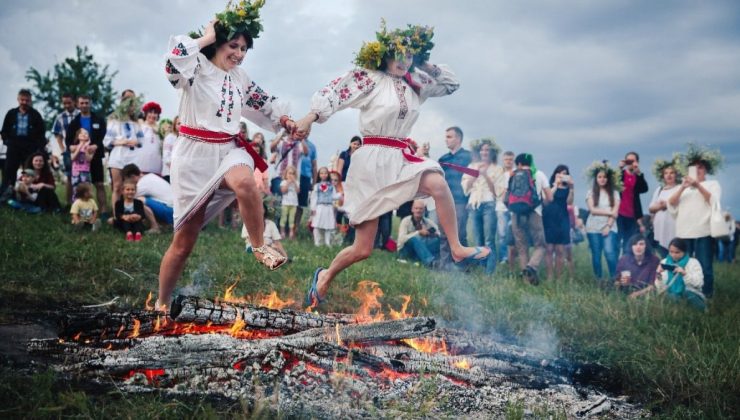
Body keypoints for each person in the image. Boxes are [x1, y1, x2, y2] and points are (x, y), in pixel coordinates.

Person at [295, 22, 490, 306]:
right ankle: (324, 276)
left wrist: (424, 63)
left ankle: (457, 249)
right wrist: (309, 118)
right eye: (399, 54)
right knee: (362, 249)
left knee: (437, 182)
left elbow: (452, 84)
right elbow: (335, 94)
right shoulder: (369, 78)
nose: (403, 61)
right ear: (384, 54)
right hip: (371, 161)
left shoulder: (415, 83)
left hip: (400, 156)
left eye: (409, 56)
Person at [157, 8, 299, 310]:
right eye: (233, 46)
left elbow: (265, 102)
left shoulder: (240, 79)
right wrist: (208, 35)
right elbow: (173, 59)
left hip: (228, 149)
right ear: (218, 43)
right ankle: (160, 303)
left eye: (244, 49)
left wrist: (285, 119)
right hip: (193, 157)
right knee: (184, 244)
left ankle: (259, 246)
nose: (239, 54)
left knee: (246, 184)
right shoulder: (194, 68)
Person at [667, 144, 722, 297]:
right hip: (684, 232)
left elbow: (713, 201)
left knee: (704, 267)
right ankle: (683, 293)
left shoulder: (712, 184)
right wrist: (683, 187)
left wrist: (697, 185)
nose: (697, 171)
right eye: (693, 168)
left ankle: (707, 296)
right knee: (681, 264)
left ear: (706, 170)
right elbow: (671, 204)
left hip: (703, 231)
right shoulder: (682, 188)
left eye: (700, 167)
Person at [507, 153, 552, 284]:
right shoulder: (539, 174)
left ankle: (527, 281)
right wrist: (540, 205)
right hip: (535, 213)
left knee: (522, 247)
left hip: (516, 215)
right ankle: (531, 266)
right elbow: (550, 197)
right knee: (541, 245)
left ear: (519, 164)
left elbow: (505, 197)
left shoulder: (512, 175)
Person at [461, 138, 504, 274]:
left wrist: (485, 175)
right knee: (478, 240)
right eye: (482, 150)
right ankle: (481, 268)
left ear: (492, 153)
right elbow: (465, 188)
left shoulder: (498, 169)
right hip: (473, 204)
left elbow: (496, 192)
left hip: (489, 204)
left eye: (487, 150)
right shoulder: (472, 166)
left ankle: (489, 272)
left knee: (489, 239)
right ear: (479, 152)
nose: (484, 152)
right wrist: (475, 175)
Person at [1, 89, 46, 201]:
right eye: (22, 100)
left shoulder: (35, 114)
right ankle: (5, 196)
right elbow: (4, 130)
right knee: (9, 171)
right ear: (18, 99)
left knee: (28, 172)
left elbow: (42, 133)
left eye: (27, 100)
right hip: (13, 146)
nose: (24, 102)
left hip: (29, 146)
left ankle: (28, 197)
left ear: (30, 101)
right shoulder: (11, 113)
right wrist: (8, 142)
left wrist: (37, 147)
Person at [66, 95, 108, 215]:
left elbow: (103, 135)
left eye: (86, 103)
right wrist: (72, 147)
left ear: (90, 103)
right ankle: (77, 210)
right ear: (78, 105)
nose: (84, 105)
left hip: (95, 155)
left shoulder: (98, 119)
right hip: (79, 158)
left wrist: (96, 146)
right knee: (79, 185)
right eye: (82, 103)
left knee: (99, 183)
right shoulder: (74, 122)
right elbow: (68, 140)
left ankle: (104, 210)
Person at [104, 91, 144, 214]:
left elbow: (141, 140)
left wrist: (135, 142)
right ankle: (117, 215)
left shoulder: (135, 123)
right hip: (118, 157)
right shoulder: (114, 121)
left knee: (132, 186)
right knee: (117, 187)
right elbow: (106, 141)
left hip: (132, 157)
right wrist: (120, 142)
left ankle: (133, 213)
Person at [438, 126, 472, 268]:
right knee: (444, 233)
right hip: (444, 202)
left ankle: (462, 266)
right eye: (446, 136)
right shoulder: (443, 159)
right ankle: (445, 265)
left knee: (459, 234)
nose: (446, 139)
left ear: (458, 139)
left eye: (449, 137)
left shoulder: (469, 157)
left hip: (460, 201)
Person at [585, 161, 621, 282]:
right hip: (593, 227)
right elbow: (592, 210)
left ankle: (615, 279)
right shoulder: (591, 192)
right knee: (596, 255)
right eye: (600, 177)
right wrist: (610, 211)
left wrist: (608, 225)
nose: (602, 179)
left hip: (609, 226)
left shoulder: (615, 193)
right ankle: (598, 279)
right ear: (596, 178)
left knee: (610, 252)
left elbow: (615, 213)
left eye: (605, 177)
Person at [654, 238, 706, 310]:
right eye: (671, 252)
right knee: (670, 297)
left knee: (688, 294)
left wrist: (684, 274)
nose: (673, 255)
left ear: (684, 252)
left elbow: (699, 283)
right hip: (671, 294)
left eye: (677, 252)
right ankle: (680, 309)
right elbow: (660, 289)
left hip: (690, 293)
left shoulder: (693, 262)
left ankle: (701, 310)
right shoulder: (664, 262)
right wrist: (659, 276)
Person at [543, 165, 575, 279]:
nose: (562, 175)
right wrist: (556, 185)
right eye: (559, 173)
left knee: (560, 250)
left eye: (564, 173)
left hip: (562, 219)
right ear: (555, 174)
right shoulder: (549, 185)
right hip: (549, 218)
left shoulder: (567, 188)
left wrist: (571, 187)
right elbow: (547, 199)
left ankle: (559, 277)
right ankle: (549, 276)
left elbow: (569, 202)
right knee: (549, 249)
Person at [648, 157, 681, 257]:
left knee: (676, 254)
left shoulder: (679, 188)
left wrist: (666, 204)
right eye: (666, 173)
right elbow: (651, 208)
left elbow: (677, 204)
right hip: (660, 228)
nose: (669, 175)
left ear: (676, 175)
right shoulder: (659, 189)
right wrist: (660, 206)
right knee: (664, 256)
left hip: (674, 227)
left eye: (672, 173)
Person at [617, 151, 649, 254]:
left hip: (632, 215)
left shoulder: (638, 176)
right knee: (616, 242)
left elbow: (644, 189)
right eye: (628, 161)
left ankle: (625, 266)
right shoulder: (621, 174)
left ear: (637, 162)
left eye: (633, 161)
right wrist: (619, 168)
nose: (631, 163)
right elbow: (612, 183)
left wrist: (638, 173)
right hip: (619, 213)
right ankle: (616, 267)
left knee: (628, 243)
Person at [52, 93, 79, 204]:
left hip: (81, 149)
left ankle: (82, 201)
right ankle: (69, 203)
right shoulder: (60, 117)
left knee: (82, 176)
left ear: (74, 102)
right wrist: (62, 148)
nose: (67, 105)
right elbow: (57, 134)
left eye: (69, 103)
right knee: (69, 176)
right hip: (68, 151)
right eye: (64, 103)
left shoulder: (80, 114)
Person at [397, 199, 440, 267]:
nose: (418, 210)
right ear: (412, 210)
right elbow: (401, 240)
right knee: (414, 239)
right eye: (416, 208)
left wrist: (433, 234)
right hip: (405, 250)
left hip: (419, 250)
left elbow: (438, 232)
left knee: (439, 240)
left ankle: (442, 260)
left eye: (421, 208)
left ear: (424, 210)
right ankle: (430, 262)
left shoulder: (427, 221)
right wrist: (418, 233)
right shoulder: (406, 221)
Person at [614, 234, 660, 298]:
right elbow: (616, 281)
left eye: (641, 244)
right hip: (627, 289)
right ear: (631, 247)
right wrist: (621, 281)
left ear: (646, 246)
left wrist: (637, 294)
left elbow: (653, 285)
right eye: (635, 244)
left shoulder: (654, 260)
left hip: (646, 292)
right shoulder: (624, 259)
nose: (638, 247)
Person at [310, 167, 339, 246]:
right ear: (319, 175)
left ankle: (327, 242)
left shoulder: (331, 186)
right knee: (317, 225)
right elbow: (314, 197)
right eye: (321, 173)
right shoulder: (317, 186)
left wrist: (340, 195)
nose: (323, 175)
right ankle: (317, 242)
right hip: (320, 207)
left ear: (328, 174)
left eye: (325, 173)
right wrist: (313, 208)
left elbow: (333, 196)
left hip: (328, 207)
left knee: (328, 225)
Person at [496, 150, 515, 265]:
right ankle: (504, 258)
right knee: (502, 234)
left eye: (510, 159)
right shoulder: (499, 174)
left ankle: (513, 256)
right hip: (501, 207)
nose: (508, 162)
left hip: (513, 207)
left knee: (514, 233)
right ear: (503, 160)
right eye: (506, 159)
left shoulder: (517, 173)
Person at [296, 137, 318, 231]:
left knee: (300, 204)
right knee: (288, 202)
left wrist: (314, 182)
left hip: (305, 176)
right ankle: (285, 228)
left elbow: (314, 165)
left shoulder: (312, 146)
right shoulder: (292, 141)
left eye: (308, 129)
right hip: (292, 174)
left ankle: (296, 228)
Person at [136, 102, 164, 175]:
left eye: (155, 113)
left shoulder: (161, 129)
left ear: (158, 115)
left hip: (156, 166)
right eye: (150, 112)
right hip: (141, 164)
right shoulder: (140, 127)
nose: (152, 115)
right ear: (145, 114)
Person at [69, 128, 97, 201]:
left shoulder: (91, 148)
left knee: (86, 190)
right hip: (76, 172)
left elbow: (88, 159)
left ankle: (86, 206)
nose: (84, 135)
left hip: (86, 172)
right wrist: (80, 146)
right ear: (78, 136)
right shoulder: (73, 147)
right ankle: (75, 207)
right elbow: (73, 158)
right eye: (82, 133)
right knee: (76, 190)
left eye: (86, 133)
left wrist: (86, 149)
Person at [279, 165, 300, 239]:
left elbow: (298, 191)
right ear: (286, 174)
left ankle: (291, 232)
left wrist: (294, 183)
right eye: (289, 173)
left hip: (293, 204)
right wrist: (288, 183)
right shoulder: (283, 182)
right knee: (283, 218)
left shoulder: (296, 182)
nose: (291, 175)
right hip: (285, 203)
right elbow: (283, 191)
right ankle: (282, 232)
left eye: (293, 173)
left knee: (292, 219)